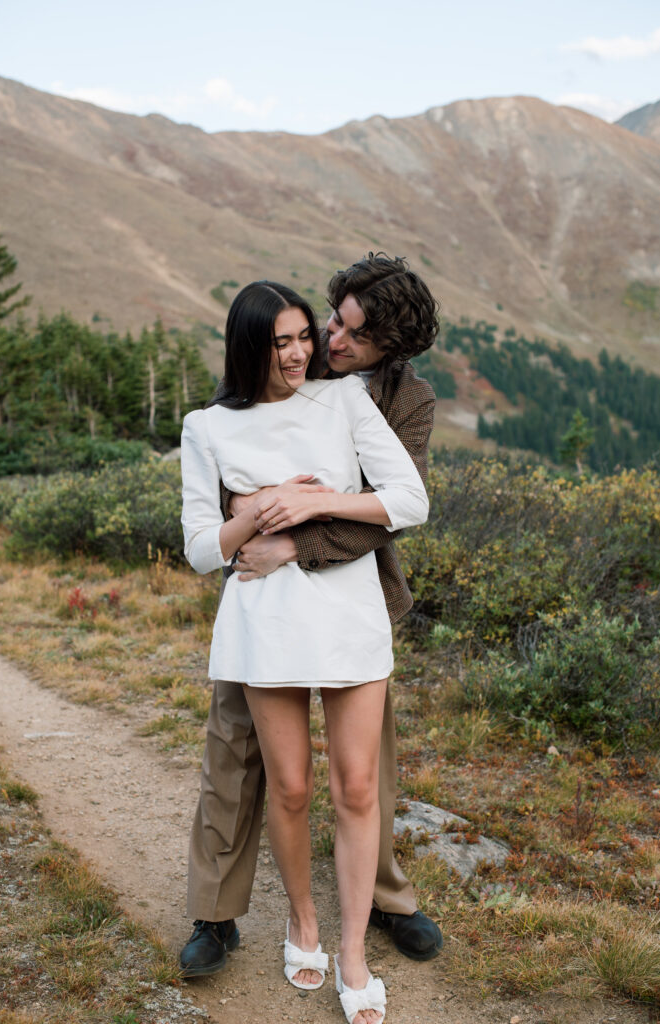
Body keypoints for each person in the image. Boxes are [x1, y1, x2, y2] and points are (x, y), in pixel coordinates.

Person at [181, 255, 443, 980]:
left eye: (347, 335)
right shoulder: (274, 382)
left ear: (388, 344)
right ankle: (216, 910)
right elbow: (224, 477)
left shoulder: (402, 400)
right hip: (264, 606)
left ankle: (383, 902)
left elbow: (395, 512)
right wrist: (247, 514)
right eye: (331, 321)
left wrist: (292, 532)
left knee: (364, 777)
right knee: (238, 759)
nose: (325, 342)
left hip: (348, 590)